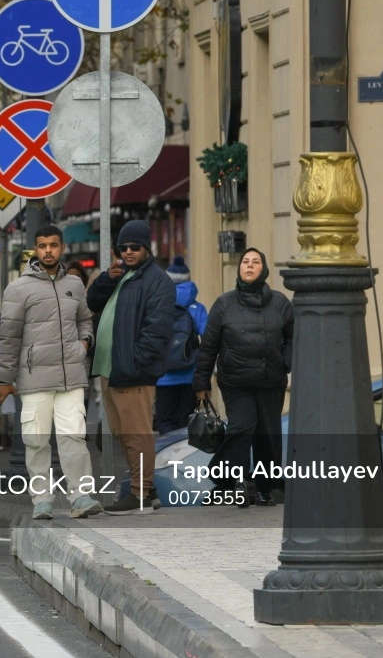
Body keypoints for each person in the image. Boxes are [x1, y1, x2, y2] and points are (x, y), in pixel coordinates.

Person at [0, 226, 100, 520]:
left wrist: (84, 343)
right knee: (36, 440)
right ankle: (42, 499)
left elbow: (85, 320)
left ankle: (81, 496)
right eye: (42, 246)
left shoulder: (76, 285)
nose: (48, 251)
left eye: (53, 245)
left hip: (71, 376)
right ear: (35, 250)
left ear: (62, 248)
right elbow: (9, 337)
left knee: (74, 437)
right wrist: (4, 380)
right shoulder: (18, 289)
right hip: (34, 378)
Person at [193, 248, 294, 507]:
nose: (249, 266)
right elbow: (209, 346)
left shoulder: (280, 303)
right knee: (241, 428)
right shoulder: (224, 304)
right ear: (239, 268)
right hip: (236, 381)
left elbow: (293, 337)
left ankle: (264, 488)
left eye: (256, 262)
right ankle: (232, 480)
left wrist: (287, 361)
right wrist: (202, 382)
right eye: (245, 262)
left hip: (271, 381)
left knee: (268, 436)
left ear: (264, 269)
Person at [87, 220, 175, 515]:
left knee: (137, 433)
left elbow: (158, 330)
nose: (127, 252)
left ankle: (139, 493)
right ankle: (148, 492)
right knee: (121, 432)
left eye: (133, 247)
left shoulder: (157, 281)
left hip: (131, 370)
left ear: (146, 247)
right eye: (122, 247)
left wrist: (135, 361)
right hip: (108, 369)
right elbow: (92, 302)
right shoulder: (119, 274)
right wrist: (105, 280)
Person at [154, 256, 209, 433]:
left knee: (165, 422)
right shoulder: (197, 308)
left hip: (162, 377)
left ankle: (166, 460)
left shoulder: (157, 305)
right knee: (185, 425)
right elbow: (209, 341)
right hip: (189, 376)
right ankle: (182, 460)